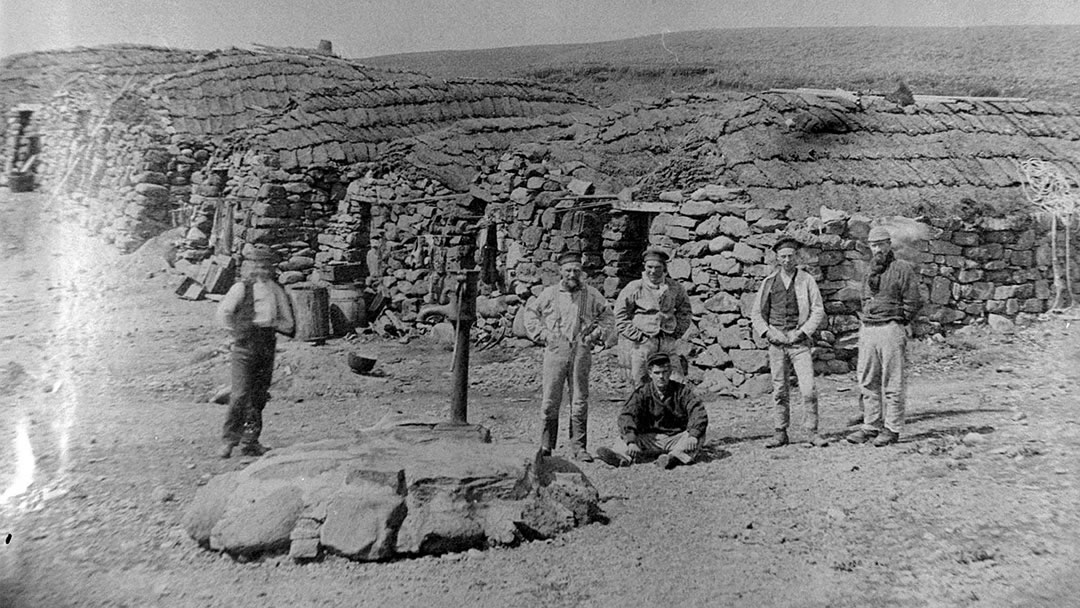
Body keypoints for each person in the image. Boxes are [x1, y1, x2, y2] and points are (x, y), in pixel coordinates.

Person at [523, 251, 615, 462]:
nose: (572, 274)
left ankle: (579, 447)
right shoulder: (549, 293)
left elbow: (608, 317)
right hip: (556, 350)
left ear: (581, 272)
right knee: (550, 399)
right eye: (568, 270)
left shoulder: (590, 294)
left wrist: (595, 335)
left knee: (580, 399)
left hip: (581, 349)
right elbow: (530, 314)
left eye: (576, 270)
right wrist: (544, 335)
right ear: (560, 272)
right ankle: (546, 446)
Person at [216, 245, 296, 458]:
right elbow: (223, 313)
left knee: (259, 396)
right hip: (244, 346)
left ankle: (251, 441)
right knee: (240, 394)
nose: (261, 269)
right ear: (249, 266)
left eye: (265, 265)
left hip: (266, 344)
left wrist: (271, 325)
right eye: (256, 264)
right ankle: (229, 440)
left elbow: (288, 322)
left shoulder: (276, 290)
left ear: (271, 267)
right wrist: (237, 331)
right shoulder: (240, 289)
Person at [847, 226, 922, 447]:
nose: (877, 248)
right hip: (869, 328)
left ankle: (892, 428)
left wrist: (898, 320)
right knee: (867, 379)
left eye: (881, 243)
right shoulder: (869, 271)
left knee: (893, 381)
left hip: (890, 328)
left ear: (889, 244)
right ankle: (871, 425)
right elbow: (863, 299)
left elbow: (914, 301)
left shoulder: (902, 269)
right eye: (873, 244)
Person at [749, 237, 828, 448]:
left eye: (790, 256)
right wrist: (768, 333)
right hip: (776, 342)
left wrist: (802, 332)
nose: (786, 260)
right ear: (777, 258)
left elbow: (818, 309)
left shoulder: (806, 281)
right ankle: (780, 432)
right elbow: (756, 313)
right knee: (780, 390)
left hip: (799, 342)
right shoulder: (769, 282)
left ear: (797, 257)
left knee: (808, 389)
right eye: (782, 256)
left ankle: (812, 431)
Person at [595, 352, 709, 469]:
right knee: (623, 439)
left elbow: (698, 411)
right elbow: (627, 416)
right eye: (657, 373)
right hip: (650, 440)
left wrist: (693, 435)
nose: (661, 377)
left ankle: (672, 458)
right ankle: (621, 458)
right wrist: (631, 441)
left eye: (664, 372)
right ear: (650, 374)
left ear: (670, 372)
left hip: (675, 438)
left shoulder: (682, 391)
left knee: (699, 436)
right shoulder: (642, 393)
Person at [614, 246, 693, 385]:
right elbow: (620, 316)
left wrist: (676, 332)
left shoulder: (675, 287)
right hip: (643, 343)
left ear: (664, 268)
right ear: (644, 266)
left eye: (657, 267)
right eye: (649, 267)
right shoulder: (634, 287)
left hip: (667, 341)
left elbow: (685, 311)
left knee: (677, 381)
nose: (653, 271)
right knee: (640, 383)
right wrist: (637, 336)